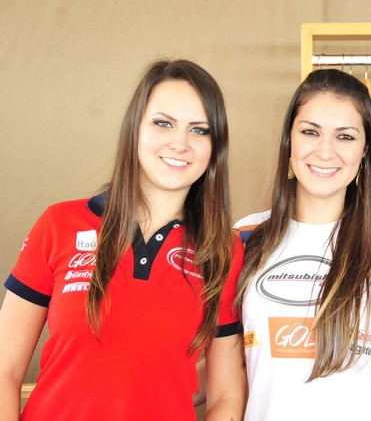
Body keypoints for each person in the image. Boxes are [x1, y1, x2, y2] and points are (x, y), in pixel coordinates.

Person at [0, 59, 246, 420]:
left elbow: (227, 395)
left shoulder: (223, 251)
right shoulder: (59, 224)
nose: (180, 143)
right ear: (135, 128)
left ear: (215, 147)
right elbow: (4, 368)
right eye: (163, 123)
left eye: (199, 130)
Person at [233, 69, 371, 421]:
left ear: (365, 150)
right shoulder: (245, 237)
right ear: (289, 141)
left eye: (345, 136)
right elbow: (224, 368)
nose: (325, 151)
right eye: (310, 132)